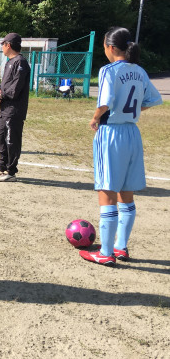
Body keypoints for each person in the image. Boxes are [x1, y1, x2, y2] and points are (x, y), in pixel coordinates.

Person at [80, 27, 162, 266]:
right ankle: (120, 247)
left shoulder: (109, 70)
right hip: (132, 133)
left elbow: (104, 102)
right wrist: (134, 111)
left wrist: (95, 118)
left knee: (106, 189)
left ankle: (105, 253)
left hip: (112, 133)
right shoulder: (139, 71)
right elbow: (154, 99)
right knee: (127, 193)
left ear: (111, 47)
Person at [0, 33, 31, 182]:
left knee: (11, 140)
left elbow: (15, 88)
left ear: (9, 45)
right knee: (0, 137)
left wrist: (1, 95)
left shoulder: (21, 63)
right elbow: (5, 83)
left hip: (14, 110)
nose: (2, 48)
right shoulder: (9, 62)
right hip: (4, 109)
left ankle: (11, 171)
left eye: (3, 44)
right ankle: (2, 167)